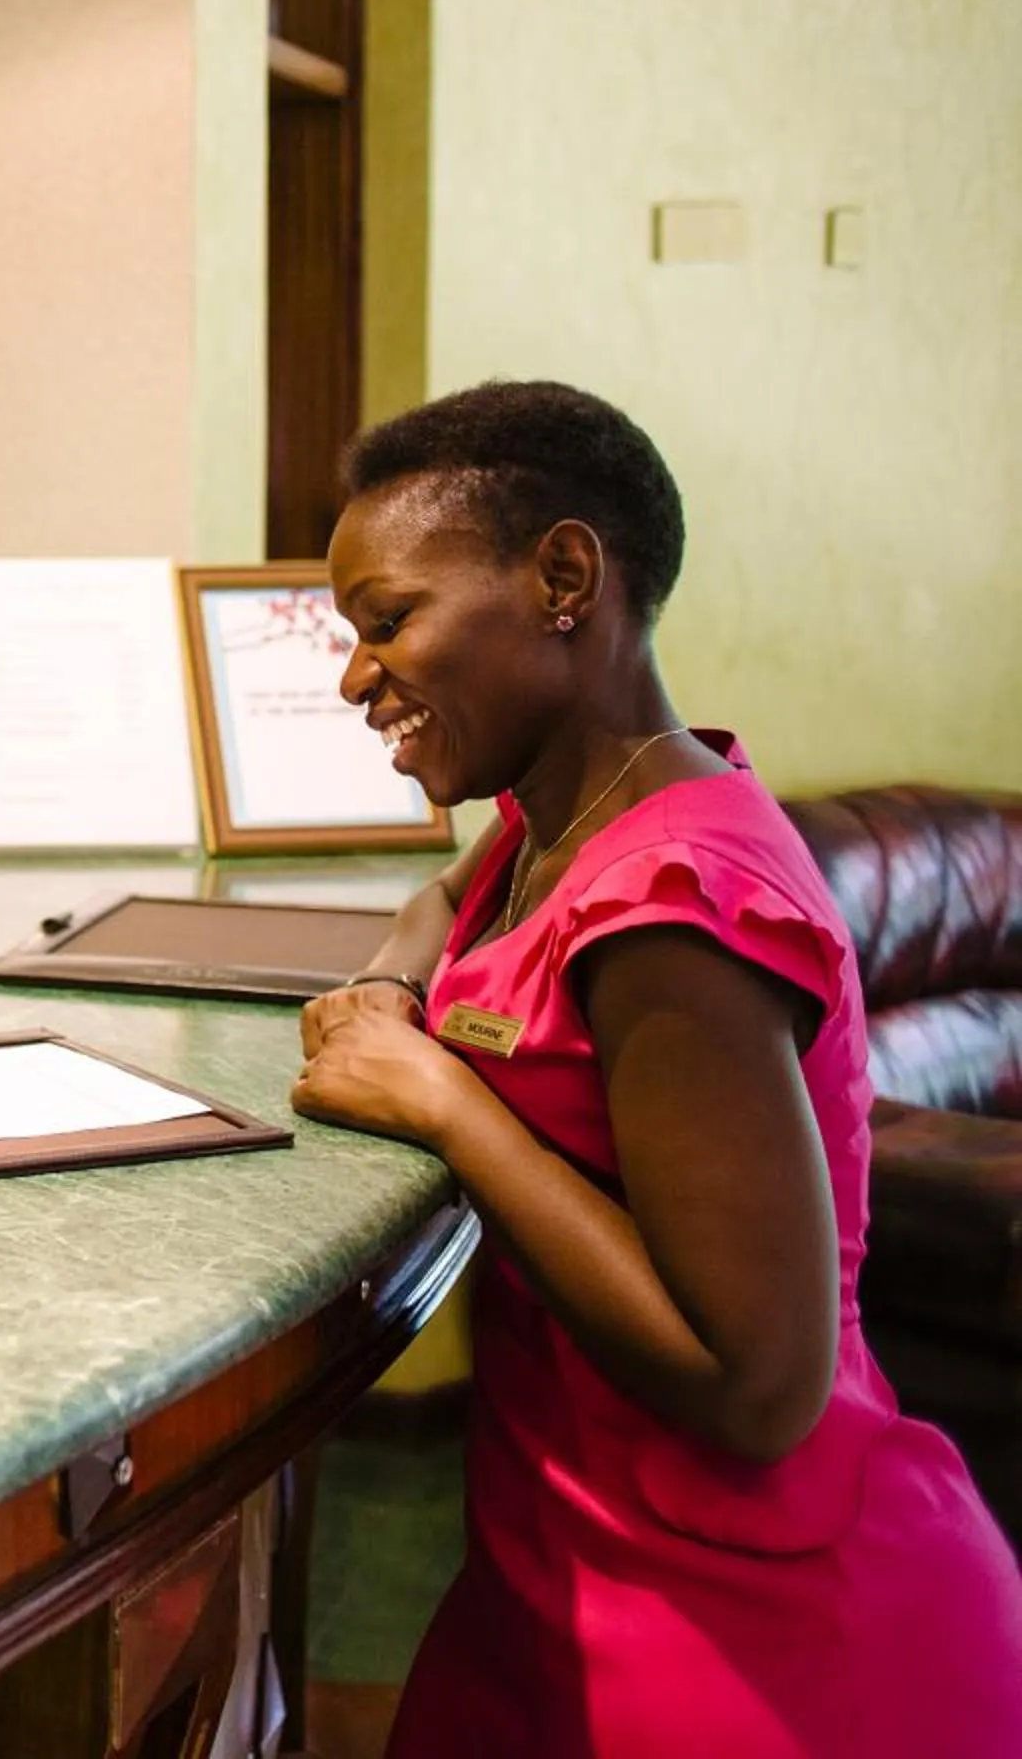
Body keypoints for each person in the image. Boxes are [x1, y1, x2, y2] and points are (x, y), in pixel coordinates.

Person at [293, 380, 1022, 1756]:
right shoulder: (567, 819)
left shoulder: (676, 909)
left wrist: (446, 1101)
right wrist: (393, 989)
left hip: (754, 1637)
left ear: (565, 576)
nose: (354, 674)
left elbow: (762, 1386)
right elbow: (444, 906)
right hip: (563, 1565)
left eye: (389, 621)